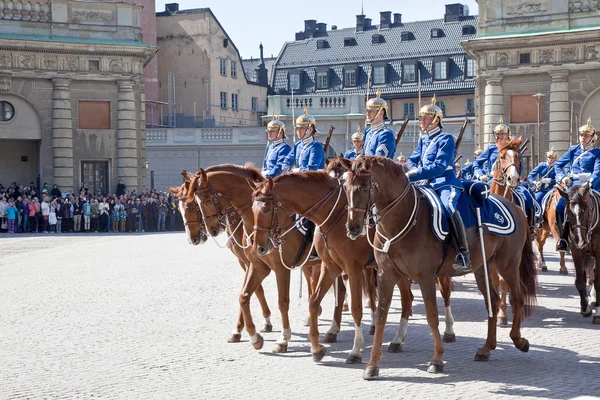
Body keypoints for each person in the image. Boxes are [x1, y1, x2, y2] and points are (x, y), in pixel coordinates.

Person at [406, 96, 471, 274]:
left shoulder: (446, 139)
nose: (421, 121)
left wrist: (414, 173)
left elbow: (438, 167)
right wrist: (412, 170)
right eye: (421, 118)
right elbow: (412, 160)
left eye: (425, 118)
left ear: (436, 120)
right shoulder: (423, 139)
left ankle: (463, 253)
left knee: (448, 207)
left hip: (444, 183)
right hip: (423, 184)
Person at [554, 118, 600, 251]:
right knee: (559, 207)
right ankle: (563, 238)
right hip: (574, 187)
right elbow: (558, 165)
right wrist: (562, 177)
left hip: (592, 186)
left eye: (586, 135)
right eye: (581, 135)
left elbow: (598, 170)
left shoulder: (597, 153)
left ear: (592, 138)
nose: (583, 138)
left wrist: (590, 182)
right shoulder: (573, 150)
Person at [363, 90, 396, 159]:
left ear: (381, 113)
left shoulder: (386, 134)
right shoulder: (368, 132)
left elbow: (379, 158)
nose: (367, 114)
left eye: (371, 111)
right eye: (367, 111)